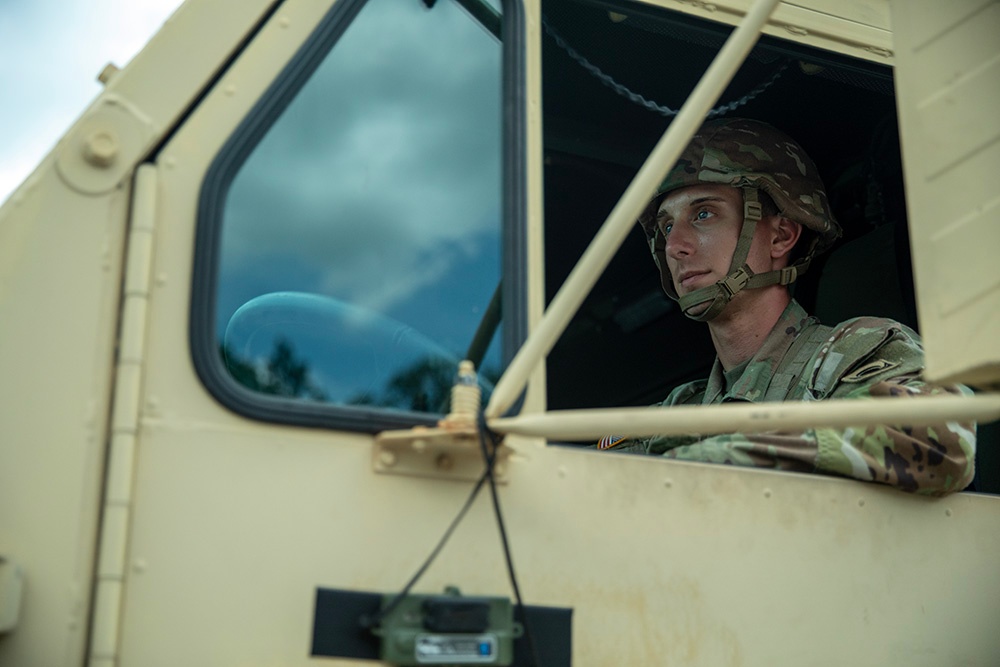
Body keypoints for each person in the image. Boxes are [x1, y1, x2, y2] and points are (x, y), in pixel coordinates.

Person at [597, 118, 975, 496]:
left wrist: (722, 455)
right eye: (665, 227)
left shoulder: (853, 355)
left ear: (780, 236)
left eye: (703, 214)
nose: (675, 244)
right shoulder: (676, 414)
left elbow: (942, 440)